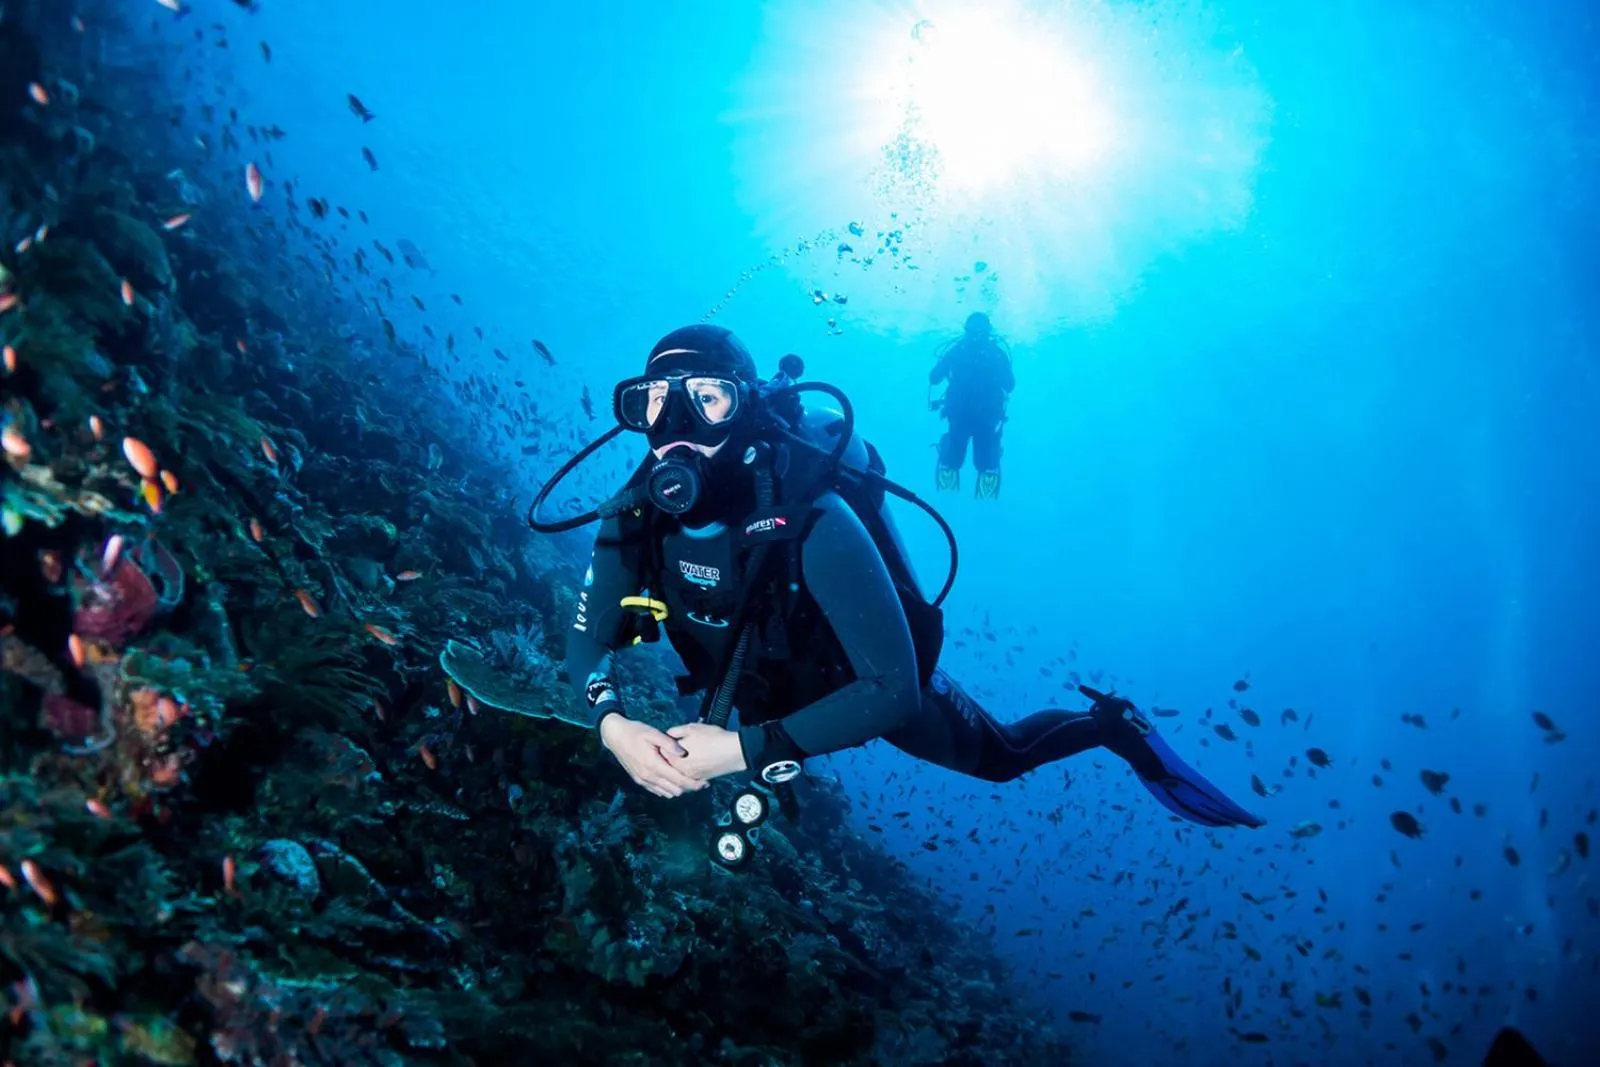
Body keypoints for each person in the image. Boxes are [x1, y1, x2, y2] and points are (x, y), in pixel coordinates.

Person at [457, 324, 1262, 834]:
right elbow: (586, 643)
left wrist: (736, 748)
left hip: (857, 680)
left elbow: (894, 691)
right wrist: (610, 725)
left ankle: (1115, 725)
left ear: (748, 411)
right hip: (760, 699)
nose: (672, 428)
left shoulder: (813, 520)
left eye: (705, 399)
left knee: (1002, 758)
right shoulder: (634, 512)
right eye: (651, 403)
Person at [930, 312, 1013, 500]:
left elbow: (934, 378)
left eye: (979, 333)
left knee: (961, 461)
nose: (976, 337)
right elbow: (1010, 385)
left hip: (966, 415)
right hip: (980, 417)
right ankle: (972, 499)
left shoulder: (957, 351)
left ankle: (952, 495)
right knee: (979, 463)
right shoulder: (996, 354)